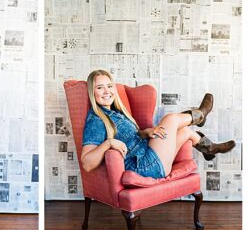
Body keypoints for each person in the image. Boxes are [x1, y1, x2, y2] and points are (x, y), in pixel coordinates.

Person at [79, 69, 235, 178]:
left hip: (147, 155)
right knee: (171, 119)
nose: (107, 91)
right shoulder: (96, 120)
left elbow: (129, 138)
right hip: (144, 167)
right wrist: (109, 143)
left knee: (185, 131)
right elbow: (87, 164)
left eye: (109, 86)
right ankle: (201, 115)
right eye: (100, 88)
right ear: (92, 93)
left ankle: (209, 149)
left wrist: (146, 132)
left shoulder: (116, 112)